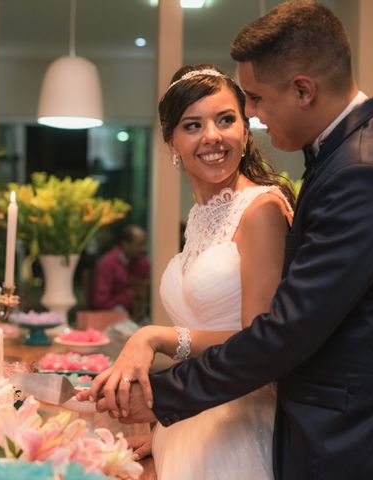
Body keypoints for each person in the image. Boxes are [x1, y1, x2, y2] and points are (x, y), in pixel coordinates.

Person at [84, 1, 373, 479]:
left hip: (358, 439)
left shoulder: (363, 169)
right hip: (311, 426)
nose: (254, 116)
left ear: (303, 90)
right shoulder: (343, 155)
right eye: (193, 125)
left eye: (254, 102)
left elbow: (285, 330)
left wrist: (162, 393)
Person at [81, 61, 295, 478]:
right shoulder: (200, 216)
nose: (212, 136)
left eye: (226, 120)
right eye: (193, 125)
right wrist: (164, 429)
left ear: (246, 131)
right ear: (171, 141)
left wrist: (155, 336)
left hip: (239, 428)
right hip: (192, 416)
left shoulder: (262, 209)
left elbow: (262, 339)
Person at [89, 224, 150, 318]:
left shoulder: (143, 264)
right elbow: (100, 301)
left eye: (144, 244)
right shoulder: (106, 264)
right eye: (139, 245)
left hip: (139, 316)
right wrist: (128, 297)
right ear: (125, 244)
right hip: (111, 318)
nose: (143, 249)